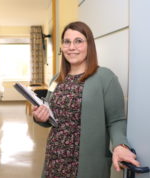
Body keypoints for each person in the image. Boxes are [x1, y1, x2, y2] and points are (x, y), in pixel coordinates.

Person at [32, 21, 140, 178]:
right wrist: (39, 117)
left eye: (79, 41)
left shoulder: (105, 77)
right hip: (55, 158)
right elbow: (49, 115)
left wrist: (120, 145)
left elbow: (116, 120)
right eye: (67, 42)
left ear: (89, 45)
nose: (71, 47)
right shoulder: (57, 79)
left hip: (85, 163)